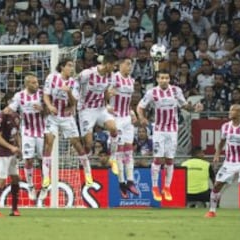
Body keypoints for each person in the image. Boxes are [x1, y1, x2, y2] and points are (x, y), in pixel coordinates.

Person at [137, 70, 203, 202]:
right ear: (157, 79)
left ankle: (166, 187)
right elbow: (140, 106)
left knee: (169, 160)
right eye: (162, 78)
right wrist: (142, 117)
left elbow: (184, 106)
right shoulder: (152, 92)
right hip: (159, 130)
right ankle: (155, 187)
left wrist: (195, 108)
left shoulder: (176, 91)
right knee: (157, 159)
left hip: (172, 130)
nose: (164, 80)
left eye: (166, 78)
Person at [42, 58, 93, 198]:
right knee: (48, 143)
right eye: (69, 66)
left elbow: (74, 102)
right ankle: (46, 178)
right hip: (53, 116)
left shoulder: (74, 83)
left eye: (73, 66)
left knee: (78, 145)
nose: (72, 68)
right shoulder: (51, 77)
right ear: (62, 67)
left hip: (66, 117)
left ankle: (88, 173)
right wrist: (49, 105)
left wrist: (69, 92)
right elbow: (46, 95)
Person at [3, 73, 44, 201]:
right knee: (29, 160)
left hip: (43, 131)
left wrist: (42, 108)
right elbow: (10, 109)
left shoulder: (42, 94)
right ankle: (31, 186)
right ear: (27, 84)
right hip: (27, 132)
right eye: (33, 83)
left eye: (37, 82)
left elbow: (52, 109)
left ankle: (44, 186)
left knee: (44, 161)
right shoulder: (19, 96)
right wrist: (3, 113)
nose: (36, 84)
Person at [77, 53, 119, 175]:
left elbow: (104, 92)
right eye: (114, 66)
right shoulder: (87, 74)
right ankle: (85, 165)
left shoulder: (111, 76)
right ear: (108, 64)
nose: (115, 68)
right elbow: (74, 84)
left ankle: (113, 158)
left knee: (114, 129)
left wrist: (108, 100)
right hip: (86, 110)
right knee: (89, 144)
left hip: (100, 109)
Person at [108, 57, 139, 198]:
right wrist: (107, 104)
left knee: (129, 150)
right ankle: (121, 183)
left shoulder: (131, 81)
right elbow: (104, 93)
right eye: (127, 64)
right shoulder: (114, 78)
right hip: (116, 117)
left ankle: (130, 181)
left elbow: (128, 102)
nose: (129, 66)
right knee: (120, 151)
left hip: (126, 118)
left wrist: (132, 113)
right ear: (119, 65)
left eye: (131, 64)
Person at [0, 92, 21, 217]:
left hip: (13, 151)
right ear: (8, 102)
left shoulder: (16, 116)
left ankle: (14, 209)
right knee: (1, 180)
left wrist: (19, 148)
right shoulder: (1, 116)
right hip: (3, 152)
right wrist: (11, 147)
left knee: (15, 178)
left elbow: (16, 133)